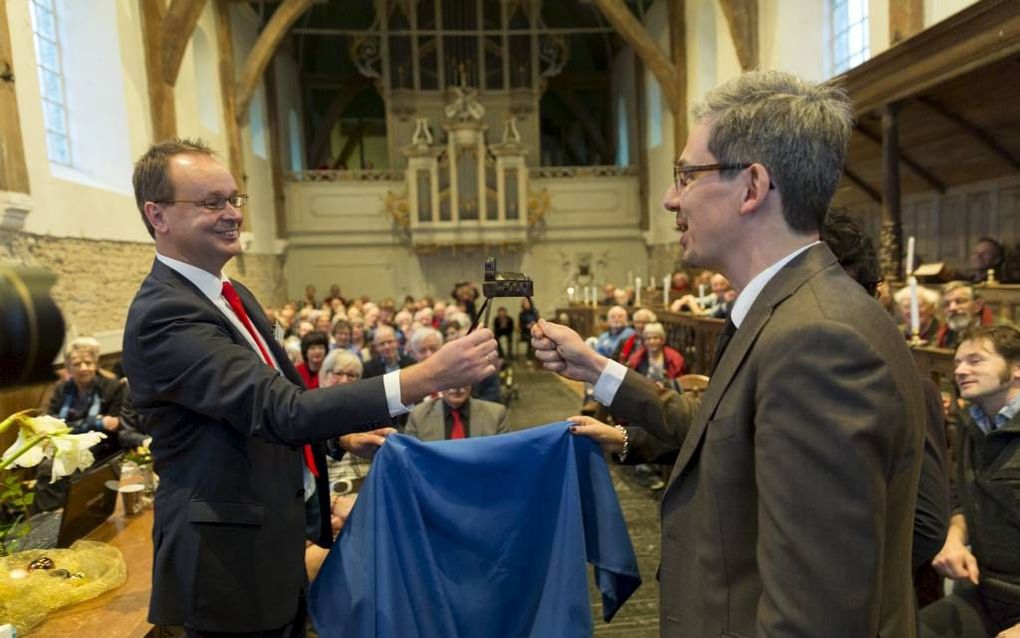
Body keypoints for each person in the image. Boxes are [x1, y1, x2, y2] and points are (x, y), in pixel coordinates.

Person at [531, 71, 924, 636]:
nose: (671, 197)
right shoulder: (790, 311)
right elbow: (730, 430)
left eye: (687, 175)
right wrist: (597, 370)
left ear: (751, 187)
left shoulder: (817, 340)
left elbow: (814, 618)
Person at [122, 138, 498, 636]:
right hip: (226, 567)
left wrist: (336, 438)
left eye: (234, 199)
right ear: (158, 215)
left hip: (272, 547)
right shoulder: (166, 315)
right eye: (212, 202)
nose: (233, 213)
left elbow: (250, 411)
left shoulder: (230, 294)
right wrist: (426, 376)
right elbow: (283, 410)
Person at [920, 325, 1020, 638]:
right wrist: (954, 538)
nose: (960, 370)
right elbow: (963, 497)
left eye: (975, 361)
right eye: (958, 362)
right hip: (990, 591)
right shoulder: (972, 423)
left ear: (1017, 368)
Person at [34, 338, 127, 511]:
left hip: (101, 450)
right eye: (77, 364)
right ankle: (47, 525)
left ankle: (63, 520)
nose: (83, 368)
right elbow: (49, 422)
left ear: (96, 364)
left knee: (52, 468)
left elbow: (115, 427)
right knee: (48, 468)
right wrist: (96, 422)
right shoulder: (60, 389)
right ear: (68, 367)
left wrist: (71, 425)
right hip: (61, 447)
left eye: (88, 362)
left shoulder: (113, 388)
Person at [404, 384, 509, 442]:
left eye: (463, 379)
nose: (457, 387)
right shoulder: (418, 416)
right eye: (450, 380)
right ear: (439, 382)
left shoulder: (496, 414)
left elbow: (504, 458)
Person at [935, 281, 996, 350]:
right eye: (946, 304)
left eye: (960, 301)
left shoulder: (998, 331)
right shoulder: (944, 334)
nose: (952, 308)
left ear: (977, 305)